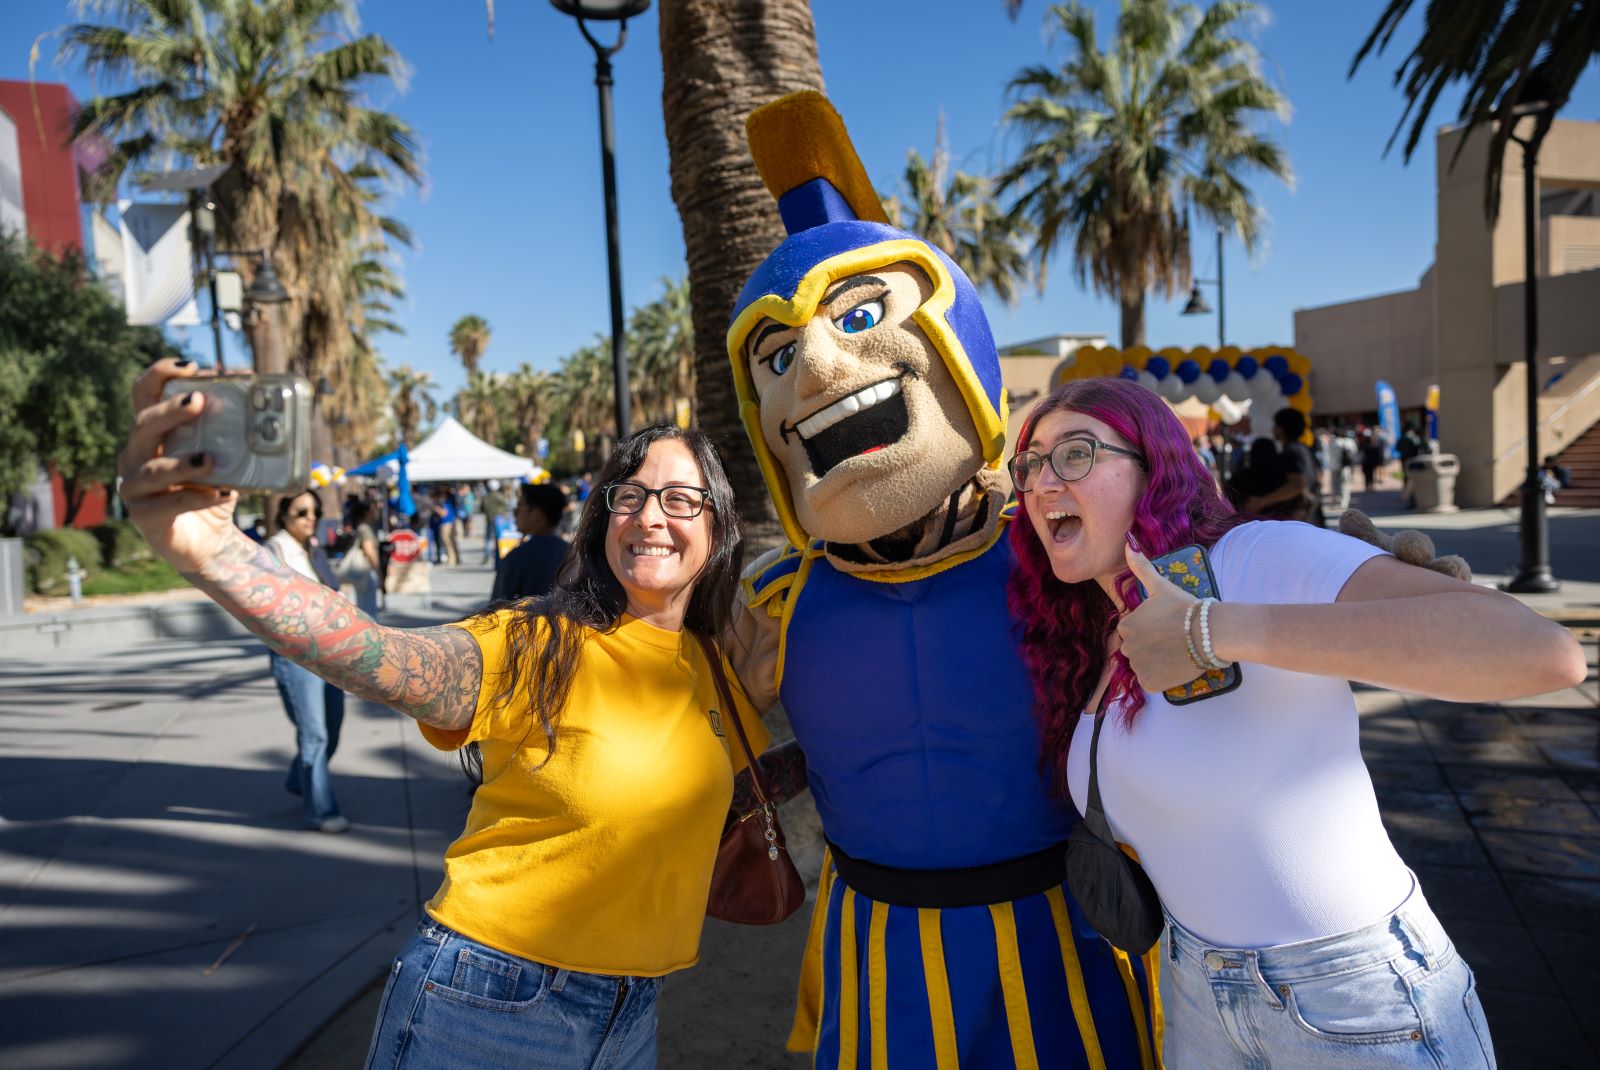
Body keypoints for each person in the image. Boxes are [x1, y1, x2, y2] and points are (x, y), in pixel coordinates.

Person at [117, 364, 772, 1069]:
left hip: (633, 1013)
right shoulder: (537, 643)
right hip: (490, 1001)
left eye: (680, 499)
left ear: (717, 526)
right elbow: (384, 656)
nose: (649, 517)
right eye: (630, 495)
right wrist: (217, 553)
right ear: (602, 518)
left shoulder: (716, 667)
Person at [726, 90, 1155, 1068]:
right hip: (877, 955)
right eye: (778, 354)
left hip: (1064, 944)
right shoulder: (775, 601)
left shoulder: (1066, 555)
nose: (816, 367)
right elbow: (673, 724)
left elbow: (1220, 601)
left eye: (859, 315)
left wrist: (1332, 573)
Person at [1007, 377, 1586, 1069]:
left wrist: (1213, 629)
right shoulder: (1092, 626)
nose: (1043, 483)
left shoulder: (1253, 556)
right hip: (1196, 989)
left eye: (1075, 454)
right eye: (1030, 464)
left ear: (1152, 464)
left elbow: (1543, 652)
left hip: (1354, 997)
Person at [262, 489, 351, 833]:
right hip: (297, 655)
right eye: (302, 512)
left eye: (314, 511)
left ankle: (300, 779)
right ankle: (322, 811)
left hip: (328, 651)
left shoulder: (313, 548)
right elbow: (272, 604)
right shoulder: (275, 549)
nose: (310, 518)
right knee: (314, 734)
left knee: (333, 727)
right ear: (284, 514)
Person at [491, 482, 570, 603]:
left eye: (519, 506)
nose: (515, 512)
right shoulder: (573, 554)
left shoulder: (517, 557)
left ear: (537, 515)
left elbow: (496, 608)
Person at [344, 499, 383, 618]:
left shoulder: (359, 527)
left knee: (362, 607)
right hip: (366, 571)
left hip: (361, 573)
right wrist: (379, 572)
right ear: (366, 512)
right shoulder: (365, 529)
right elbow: (369, 550)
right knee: (368, 610)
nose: (376, 512)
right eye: (373, 510)